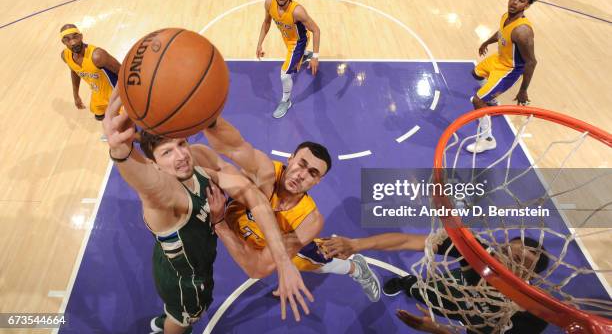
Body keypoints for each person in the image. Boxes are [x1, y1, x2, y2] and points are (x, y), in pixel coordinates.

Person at [102, 91, 313, 333]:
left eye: (181, 144)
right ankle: (171, 324)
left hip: (176, 261)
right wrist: (121, 152)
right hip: (186, 281)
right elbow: (146, 185)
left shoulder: (197, 159)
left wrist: (284, 262)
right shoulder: (165, 196)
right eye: (167, 153)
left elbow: (253, 197)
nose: (181, 156)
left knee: (174, 310)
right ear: (153, 163)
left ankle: (168, 317)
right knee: (184, 320)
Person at [203, 118, 381, 302]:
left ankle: (357, 268)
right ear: (290, 159)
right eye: (301, 164)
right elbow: (233, 146)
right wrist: (210, 120)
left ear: (317, 181)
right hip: (237, 226)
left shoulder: (309, 220)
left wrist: (220, 224)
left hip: (275, 246)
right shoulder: (264, 171)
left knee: (321, 263)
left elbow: (256, 269)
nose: (301, 175)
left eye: (312, 173)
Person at [320, 232, 549, 333]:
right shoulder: (477, 254)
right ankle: (406, 283)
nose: (506, 260)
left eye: (518, 262)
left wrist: (440, 331)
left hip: (480, 323)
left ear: (528, 277)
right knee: (420, 290)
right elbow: (408, 240)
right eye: (506, 252)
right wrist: (357, 244)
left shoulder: (531, 316)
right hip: (455, 293)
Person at [466, 0, 538, 154]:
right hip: (499, 59)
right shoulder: (507, 16)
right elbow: (501, 33)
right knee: (475, 73)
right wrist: (486, 42)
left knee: (477, 101)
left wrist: (523, 91)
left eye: (521, 1)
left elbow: (532, 62)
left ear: (526, 6)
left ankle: (487, 139)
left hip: (509, 69)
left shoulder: (522, 31)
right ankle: (490, 95)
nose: (515, 2)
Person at [256, 0, 321, 118]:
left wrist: (316, 57)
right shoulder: (269, 3)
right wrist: (259, 43)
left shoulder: (297, 11)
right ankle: (303, 56)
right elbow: (267, 22)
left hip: (298, 42)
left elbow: (316, 30)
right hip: (287, 37)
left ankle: (286, 101)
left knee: (285, 74)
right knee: (296, 59)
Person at [60, 24, 120, 122]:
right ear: (63, 42)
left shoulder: (97, 56)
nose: (73, 42)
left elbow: (122, 71)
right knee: (101, 117)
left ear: (81, 36)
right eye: (67, 39)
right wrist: (76, 95)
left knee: (125, 122)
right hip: (98, 94)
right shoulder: (65, 56)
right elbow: (74, 72)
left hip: (116, 93)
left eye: (75, 37)